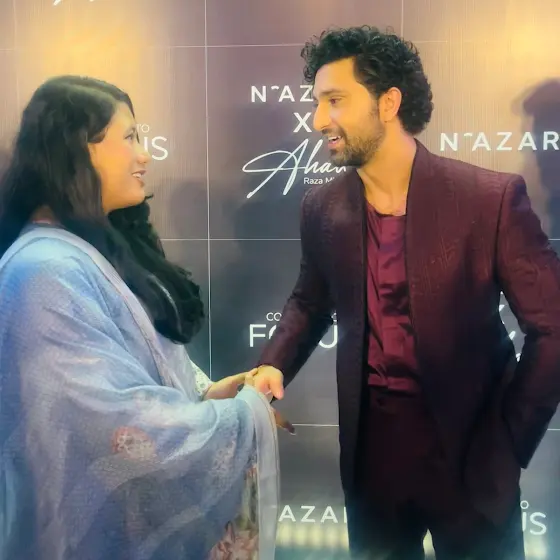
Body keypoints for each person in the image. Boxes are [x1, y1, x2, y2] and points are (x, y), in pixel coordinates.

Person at [252, 26, 560, 559]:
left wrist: (510, 438)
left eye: (335, 100)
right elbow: (309, 301)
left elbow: (553, 326)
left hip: (472, 457)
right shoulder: (322, 207)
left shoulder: (488, 199)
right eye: (317, 102)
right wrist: (272, 365)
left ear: (389, 103)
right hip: (372, 458)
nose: (318, 120)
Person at [0, 75, 281, 560]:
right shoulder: (42, 270)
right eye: (129, 137)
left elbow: (128, 379)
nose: (145, 156)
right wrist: (241, 419)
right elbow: (102, 421)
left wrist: (209, 396)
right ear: (77, 149)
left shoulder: (78, 251)